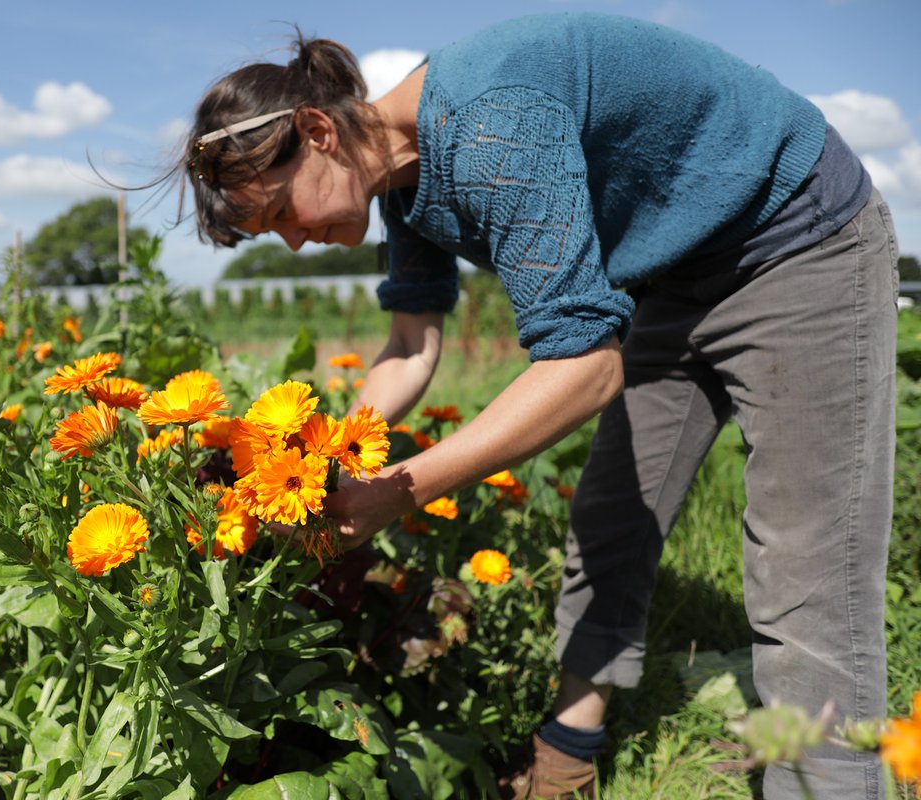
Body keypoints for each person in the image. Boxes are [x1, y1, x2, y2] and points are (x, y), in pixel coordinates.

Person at [179, 12, 898, 800]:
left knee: (804, 557)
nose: (291, 241)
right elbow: (413, 344)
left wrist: (400, 489)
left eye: (281, 211)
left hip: (796, 239)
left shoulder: (488, 121)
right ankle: (566, 753)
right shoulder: (398, 179)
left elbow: (584, 368)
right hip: (673, 280)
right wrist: (326, 457)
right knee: (613, 518)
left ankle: (827, 782)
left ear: (317, 130)